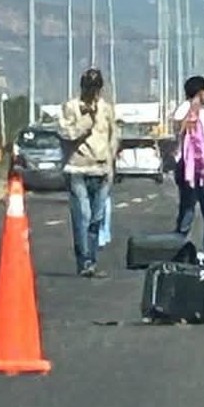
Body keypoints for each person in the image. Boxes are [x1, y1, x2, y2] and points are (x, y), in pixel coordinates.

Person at [58, 68, 119, 278]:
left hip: (101, 170)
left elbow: (112, 137)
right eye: (89, 88)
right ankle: (82, 261)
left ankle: (91, 262)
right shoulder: (71, 108)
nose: (93, 93)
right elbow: (66, 134)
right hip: (77, 169)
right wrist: (86, 120)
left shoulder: (106, 109)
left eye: (96, 88)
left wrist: (111, 166)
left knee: (96, 218)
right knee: (82, 217)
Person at [173, 76, 204, 256]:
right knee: (190, 212)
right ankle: (178, 251)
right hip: (189, 170)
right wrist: (191, 112)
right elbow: (178, 128)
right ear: (201, 92)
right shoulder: (184, 110)